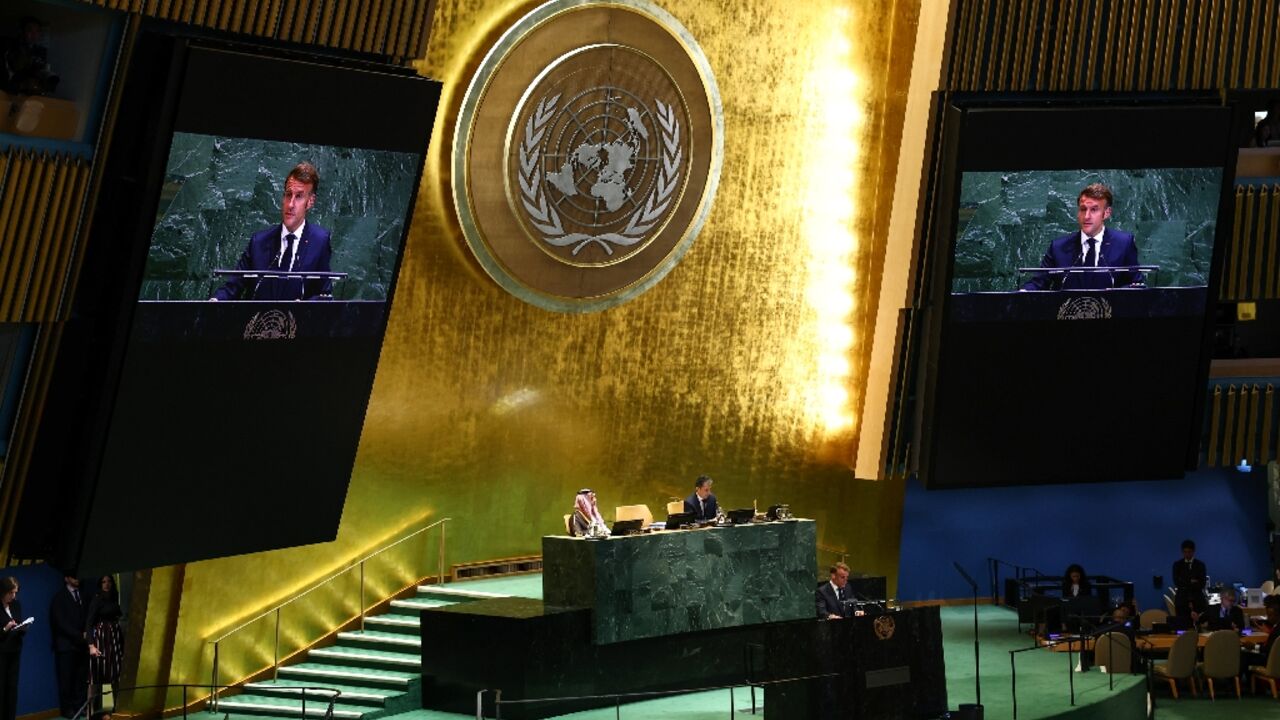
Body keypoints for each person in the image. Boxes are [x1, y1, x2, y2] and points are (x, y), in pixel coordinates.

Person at [212, 162, 333, 301]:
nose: (291, 204)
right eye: (288, 195)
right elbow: (232, 287)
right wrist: (215, 302)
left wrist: (303, 308)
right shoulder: (259, 242)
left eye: (299, 196)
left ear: (310, 201)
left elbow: (324, 295)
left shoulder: (320, 241)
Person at [1021, 183, 1144, 291]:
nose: (1086, 216)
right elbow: (1038, 284)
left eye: (1094, 210)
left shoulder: (1124, 243)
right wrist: (1023, 293)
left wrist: (1113, 295)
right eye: (1083, 209)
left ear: (1106, 213)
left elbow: (1136, 285)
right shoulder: (1058, 247)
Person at [85, 575, 125, 717]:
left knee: (113, 675)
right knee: (95, 676)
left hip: (114, 639)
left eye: (109, 582)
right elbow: (89, 623)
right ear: (100, 584)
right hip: (101, 639)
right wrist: (91, 645)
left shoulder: (115, 597)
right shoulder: (97, 598)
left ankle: (109, 710)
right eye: (103, 582)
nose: (106, 584)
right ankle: (89, 711)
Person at [50, 575, 87, 720]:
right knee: (66, 680)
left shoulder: (84, 595)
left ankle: (80, 707)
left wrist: (87, 634)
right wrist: (79, 635)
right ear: (66, 579)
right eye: (73, 576)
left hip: (82, 646)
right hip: (66, 646)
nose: (77, 578)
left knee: (81, 679)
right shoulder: (59, 598)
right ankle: (68, 710)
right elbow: (60, 623)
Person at [0, 16, 59, 96]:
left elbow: (41, 73)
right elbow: (6, 81)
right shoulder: (9, 47)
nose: (34, 34)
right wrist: (23, 85)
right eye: (29, 30)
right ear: (22, 32)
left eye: (37, 31)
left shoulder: (39, 51)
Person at [0, 577, 28, 720]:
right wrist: (5, 628)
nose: (14, 596)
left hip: (14, 651)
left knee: (12, 689)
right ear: (3, 592)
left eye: (15, 592)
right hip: (1, 654)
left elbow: (18, 622)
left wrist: (22, 627)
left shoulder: (16, 605)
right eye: (11, 592)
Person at [1172, 539, 1208, 623]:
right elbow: (1177, 582)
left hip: (1197, 599)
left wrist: (1184, 581)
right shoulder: (1177, 565)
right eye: (1185, 552)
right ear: (1182, 552)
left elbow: (1202, 583)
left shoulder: (1200, 565)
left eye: (1189, 552)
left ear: (1193, 551)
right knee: (1182, 624)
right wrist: (1192, 581)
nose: (1187, 554)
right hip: (1182, 600)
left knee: (1199, 623)